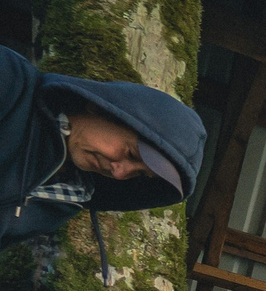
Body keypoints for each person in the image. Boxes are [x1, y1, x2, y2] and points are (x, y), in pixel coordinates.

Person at [1, 47, 201, 246]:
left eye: (139, 174)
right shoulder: (10, 79)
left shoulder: (64, 203)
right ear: (102, 108)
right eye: (130, 154)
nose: (119, 173)